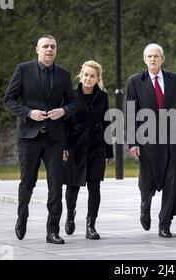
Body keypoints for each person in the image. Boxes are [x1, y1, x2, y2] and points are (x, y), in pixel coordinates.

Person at [4, 35, 83, 244]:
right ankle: (22, 218)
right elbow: (9, 100)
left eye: (53, 46)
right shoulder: (23, 70)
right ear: (37, 49)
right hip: (29, 136)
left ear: (56, 50)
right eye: (45, 46)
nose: (49, 49)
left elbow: (75, 103)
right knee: (27, 183)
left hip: (55, 138)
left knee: (56, 185)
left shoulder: (64, 74)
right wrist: (29, 113)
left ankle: (52, 230)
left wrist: (63, 111)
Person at [126, 43, 176, 238]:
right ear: (144, 60)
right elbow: (130, 113)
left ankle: (164, 224)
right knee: (146, 181)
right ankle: (145, 207)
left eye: (156, 56)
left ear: (162, 59)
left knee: (171, 182)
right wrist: (133, 142)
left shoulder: (175, 80)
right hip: (147, 141)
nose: (152, 59)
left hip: (171, 141)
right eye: (149, 56)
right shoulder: (134, 81)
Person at [62, 60, 113, 239]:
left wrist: (109, 152)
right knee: (72, 186)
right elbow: (64, 123)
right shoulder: (70, 95)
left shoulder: (103, 97)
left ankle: (91, 225)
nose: (88, 78)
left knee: (94, 186)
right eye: (86, 75)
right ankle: (70, 214)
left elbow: (107, 124)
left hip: (97, 147)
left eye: (92, 76)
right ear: (80, 75)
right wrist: (64, 146)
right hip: (74, 147)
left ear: (98, 78)